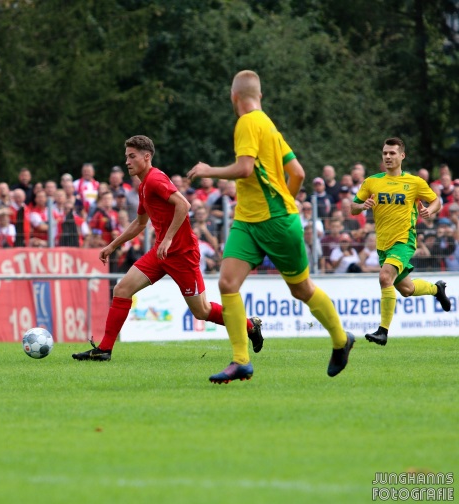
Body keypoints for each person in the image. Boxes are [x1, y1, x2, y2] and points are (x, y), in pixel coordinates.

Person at [187, 70, 354, 383]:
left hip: (276, 223)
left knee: (301, 290)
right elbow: (299, 173)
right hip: (248, 222)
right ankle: (240, 361)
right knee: (227, 284)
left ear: (233, 97)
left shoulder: (247, 122)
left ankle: (341, 340)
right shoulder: (270, 127)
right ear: (259, 95)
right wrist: (284, 200)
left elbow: (245, 168)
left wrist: (210, 170)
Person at [72, 135, 263, 363]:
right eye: (126, 157)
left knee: (201, 311)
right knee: (121, 289)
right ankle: (104, 349)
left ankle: (250, 326)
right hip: (160, 253)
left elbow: (184, 204)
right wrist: (113, 245)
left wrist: (168, 238)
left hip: (182, 255)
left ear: (147, 156)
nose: (127, 162)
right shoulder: (144, 186)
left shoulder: (155, 179)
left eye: (132, 157)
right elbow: (140, 223)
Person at [351, 137, 451, 346]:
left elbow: (436, 201)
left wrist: (428, 211)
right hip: (383, 246)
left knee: (384, 277)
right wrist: (362, 206)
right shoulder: (372, 182)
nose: (388, 156)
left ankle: (383, 331)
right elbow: (353, 207)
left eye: (392, 153)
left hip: (404, 241)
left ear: (402, 156)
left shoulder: (414, 182)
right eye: (385, 153)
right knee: (406, 289)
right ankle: (436, 289)